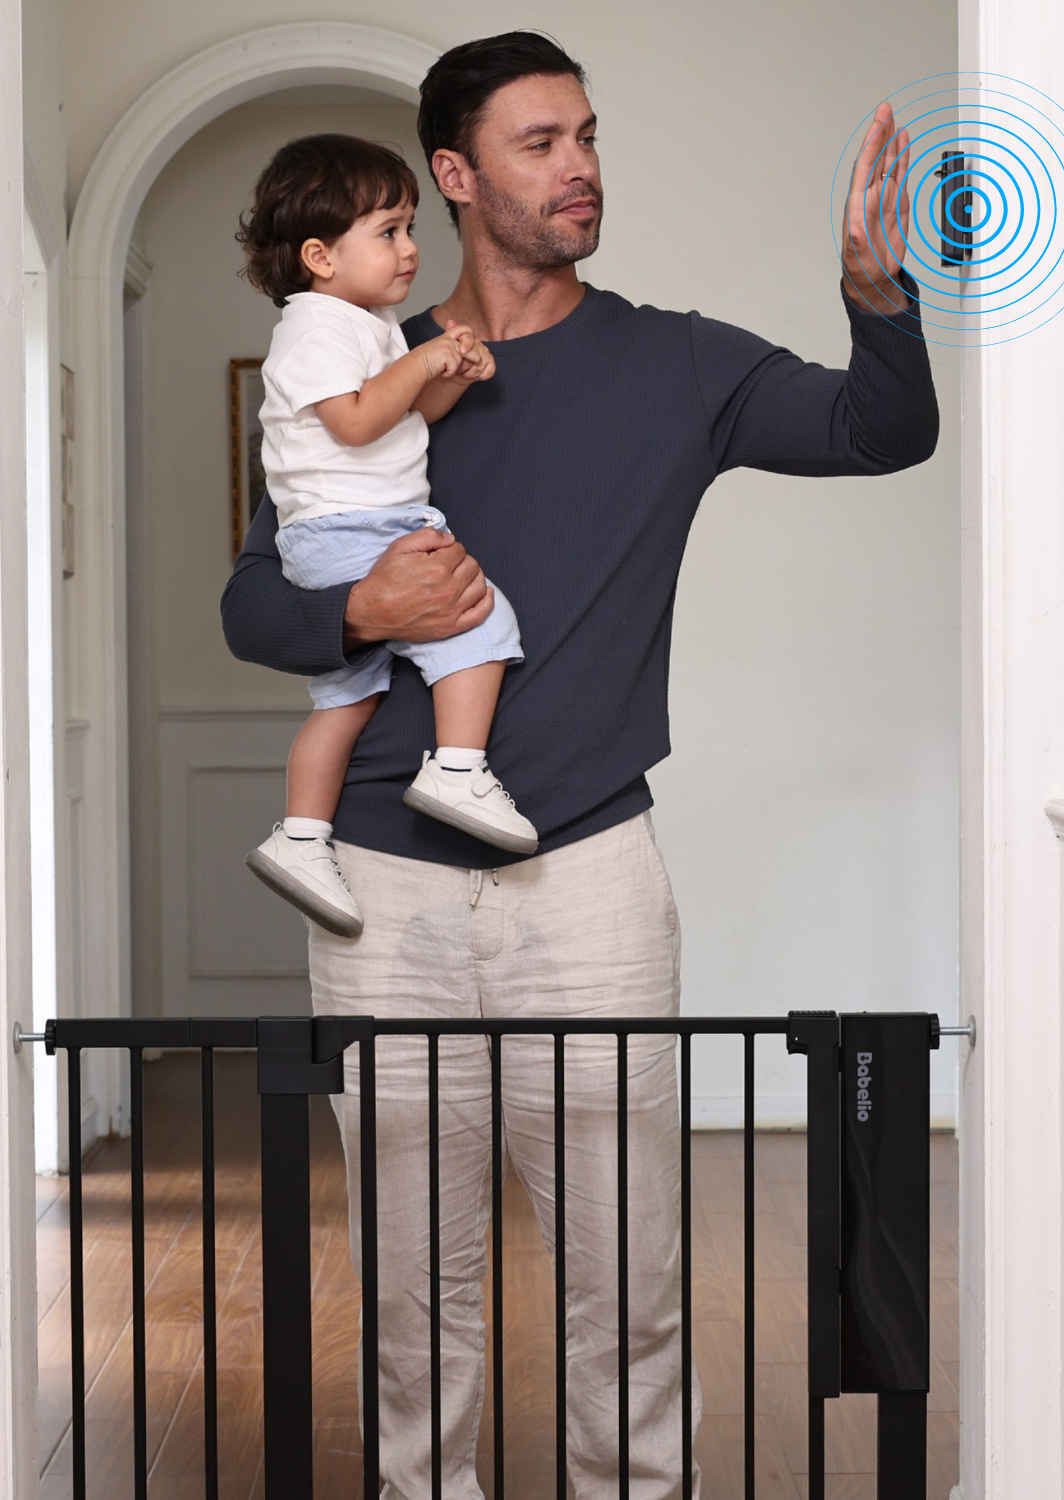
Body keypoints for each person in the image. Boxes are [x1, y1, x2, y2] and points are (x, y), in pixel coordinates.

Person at [222, 31, 937, 1500]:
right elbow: (251, 601)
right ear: (455, 173)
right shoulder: (365, 360)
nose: (583, 167)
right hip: (384, 895)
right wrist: (366, 608)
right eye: (542, 141)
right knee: (415, 1305)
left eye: (590, 136)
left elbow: (885, 432)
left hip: (591, 881)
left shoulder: (678, 362)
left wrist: (878, 298)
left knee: (634, 1286)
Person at [239, 135, 537, 941]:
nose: (410, 250)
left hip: (340, 530)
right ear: (319, 256)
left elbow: (401, 418)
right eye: (389, 231)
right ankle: (458, 770)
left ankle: (301, 838)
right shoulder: (318, 327)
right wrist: (430, 352)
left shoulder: (362, 325)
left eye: (410, 228)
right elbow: (361, 418)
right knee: (479, 620)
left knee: (349, 697)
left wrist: (446, 375)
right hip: (358, 528)